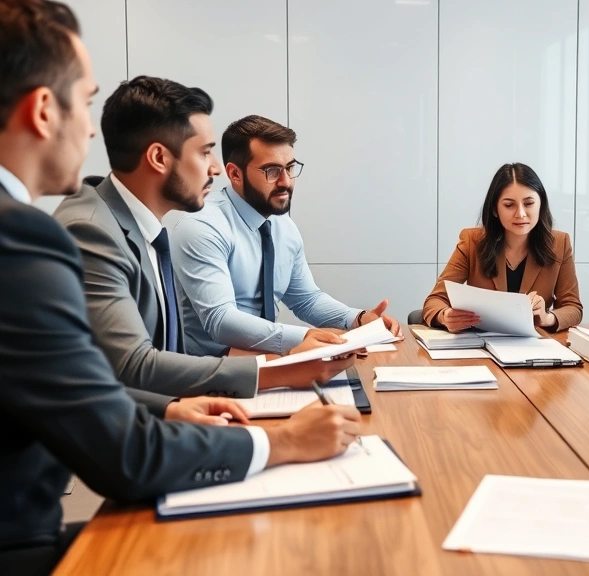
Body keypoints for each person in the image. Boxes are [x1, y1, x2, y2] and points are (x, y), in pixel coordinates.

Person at [0, 3, 360, 573]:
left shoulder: (125, 227)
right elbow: (122, 421)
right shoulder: (38, 234)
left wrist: (170, 408)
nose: (217, 170)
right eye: (85, 103)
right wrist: (282, 442)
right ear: (45, 110)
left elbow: (83, 386)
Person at [53, 76, 356, 398]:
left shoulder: (141, 225)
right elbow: (133, 368)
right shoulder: (94, 231)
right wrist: (276, 371)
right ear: (159, 158)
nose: (215, 169)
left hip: (173, 401)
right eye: (205, 153)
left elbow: (162, 355)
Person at [170, 115, 401, 357]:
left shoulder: (283, 226)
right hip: (211, 369)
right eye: (271, 171)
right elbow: (221, 320)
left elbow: (306, 299)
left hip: (271, 358)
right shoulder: (201, 226)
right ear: (235, 174)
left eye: (290, 168)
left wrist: (357, 319)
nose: (286, 182)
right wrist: (304, 337)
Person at [422, 162, 583, 332]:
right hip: (481, 346)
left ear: (540, 204)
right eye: (509, 205)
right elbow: (435, 300)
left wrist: (547, 317)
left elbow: (573, 307)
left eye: (528, 203)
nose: (520, 213)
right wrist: (445, 315)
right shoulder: (472, 242)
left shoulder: (560, 243)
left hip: (534, 348)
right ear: (494, 209)